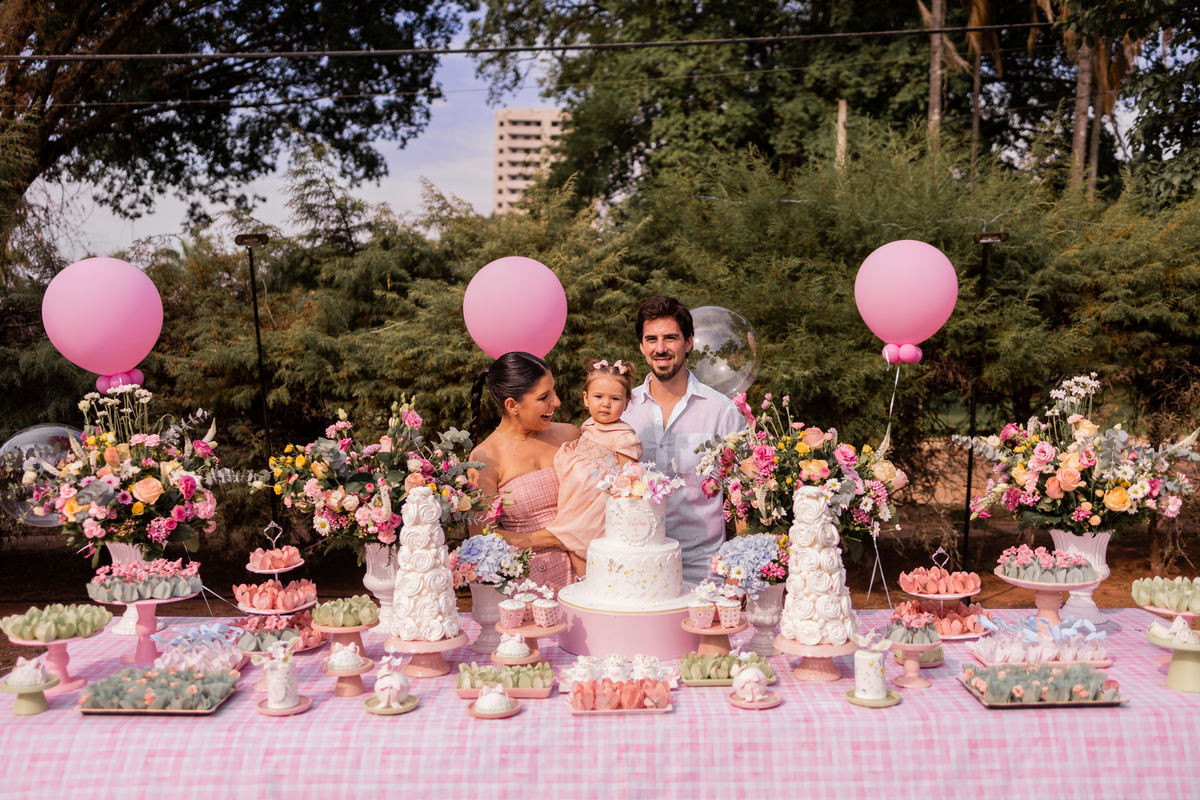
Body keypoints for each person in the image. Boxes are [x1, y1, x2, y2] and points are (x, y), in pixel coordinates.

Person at [622, 296, 744, 583]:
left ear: (688, 342)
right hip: (632, 567)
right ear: (641, 346)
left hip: (703, 570)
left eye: (670, 338)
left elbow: (743, 498)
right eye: (651, 339)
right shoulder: (622, 410)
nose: (660, 348)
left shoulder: (721, 411)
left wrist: (739, 573)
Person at [468, 351, 580, 591]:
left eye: (554, 391)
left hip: (588, 571)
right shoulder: (485, 459)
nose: (557, 402)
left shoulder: (570, 435)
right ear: (512, 405)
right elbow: (483, 537)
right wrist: (551, 538)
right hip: (529, 585)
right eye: (544, 397)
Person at [546, 359, 643, 570]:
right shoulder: (588, 425)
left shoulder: (624, 437)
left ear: (626, 403)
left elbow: (630, 481)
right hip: (574, 503)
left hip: (597, 509)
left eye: (615, 398)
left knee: (589, 554)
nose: (605, 404)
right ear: (586, 398)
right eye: (598, 397)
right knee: (574, 555)